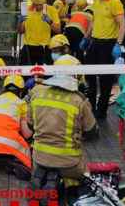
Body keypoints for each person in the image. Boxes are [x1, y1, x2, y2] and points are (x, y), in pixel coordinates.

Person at [28, 55, 98, 203]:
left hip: (39, 158)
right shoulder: (79, 101)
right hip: (69, 163)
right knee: (84, 175)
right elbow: (92, 132)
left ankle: (46, 175)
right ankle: (64, 183)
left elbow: (29, 125)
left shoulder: (37, 94)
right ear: (76, 76)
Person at [80, 0, 125, 119]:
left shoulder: (115, 2)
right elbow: (94, 20)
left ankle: (101, 111)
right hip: (95, 42)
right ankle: (91, 107)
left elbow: (123, 25)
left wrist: (118, 44)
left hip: (109, 44)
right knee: (90, 74)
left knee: (106, 79)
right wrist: (86, 37)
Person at [18, 0, 61, 66]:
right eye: (36, 4)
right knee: (25, 74)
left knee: (45, 75)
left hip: (44, 47)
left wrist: (50, 22)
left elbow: (58, 30)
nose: (38, 7)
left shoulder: (51, 10)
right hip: (28, 47)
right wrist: (20, 22)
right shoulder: (26, 10)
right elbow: (21, 31)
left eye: (40, 4)